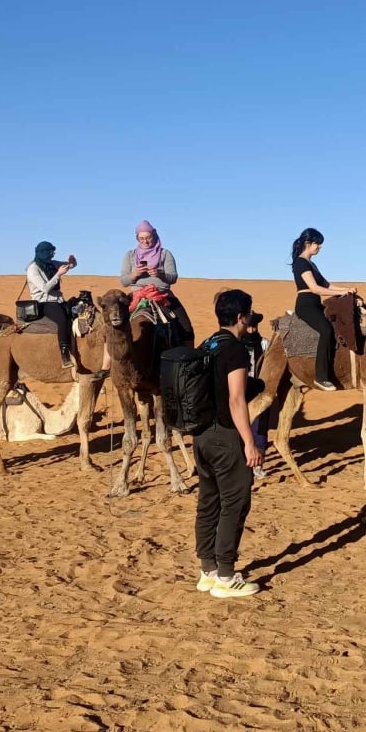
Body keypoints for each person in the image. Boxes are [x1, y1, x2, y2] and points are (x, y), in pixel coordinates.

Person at [194, 289, 264, 599]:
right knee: (234, 504)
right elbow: (236, 399)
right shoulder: (234, 350)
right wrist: (250, 442)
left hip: (201, 436)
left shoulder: (207, 344)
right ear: (240, 317)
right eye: (248, 313)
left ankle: (207, 570)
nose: (250, 318)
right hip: (225, 436)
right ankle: (225, 574)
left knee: (209, 502)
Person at [290, 228, 357, 392]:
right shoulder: (301, 262)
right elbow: (315, 288)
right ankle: (320, 377)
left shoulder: (312, 264)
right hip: (305, 304)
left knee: (336, 326)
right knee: (326, 330)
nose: (319, 247)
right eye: (317, 244)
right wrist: (340, 292)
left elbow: (326, 285)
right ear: (308, 243)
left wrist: (346, 289)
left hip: (315, 303)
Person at [120, 219, 194, 346]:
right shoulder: (130, 255)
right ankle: (108, 363)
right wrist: (135, 274)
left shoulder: (165, 254)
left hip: (162, 294)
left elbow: (173, 278)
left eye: (148, 237)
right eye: (141, 238)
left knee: (186, 328)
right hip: (137, 294)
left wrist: (160, 274)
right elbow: (123, 281)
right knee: (114, 323)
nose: (145, 241)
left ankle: (187, 361)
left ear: (154, 235)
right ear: (137, 238)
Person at [26, 241, 76, 368]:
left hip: (59, 300)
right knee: (62, 320)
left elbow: (70, 266)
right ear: (43, 253)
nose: (52, 254)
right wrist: (58, 275)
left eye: (53, 251)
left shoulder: (51, 264)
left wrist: (72, 261)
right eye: (50, 252)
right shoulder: (33, 269)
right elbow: (45, 288)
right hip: (44, 302)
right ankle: (64, 355)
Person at [241, 310, 270, 480]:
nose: (252, 330)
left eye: (254, 327)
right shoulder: (237, 344)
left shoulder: (265, 343)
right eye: (249, 327)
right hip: (240, 391)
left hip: (259, 391)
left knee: (259, 429)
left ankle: (258, 466)